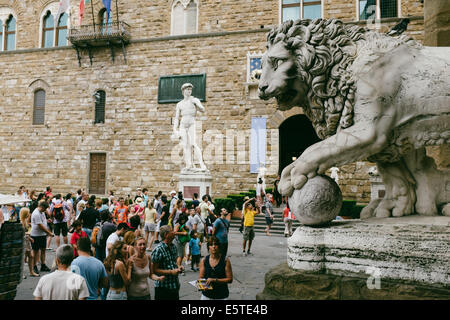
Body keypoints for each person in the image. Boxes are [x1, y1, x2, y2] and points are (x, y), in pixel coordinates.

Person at [172, 83, 207, 171]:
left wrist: (197, 105)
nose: (189, 91)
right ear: (183, 91)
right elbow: (177, 118)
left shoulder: (194, 100)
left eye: (190, 89)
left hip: (191, 123)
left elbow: (203, 110)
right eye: (187, 89)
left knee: (193, 144)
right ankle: (189, 164)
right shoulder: (179, 104)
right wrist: (175, 129)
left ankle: (201, 164)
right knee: (185, 145)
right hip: (183, 125)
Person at [151, 225, 184, 300]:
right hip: (163, 288)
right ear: (166, 235)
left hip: (174, 286)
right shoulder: (158, 249)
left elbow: (174, 262)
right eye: (172, 231)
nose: (174, 232)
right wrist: (171, 272)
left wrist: (179, 267)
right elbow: (154, 270)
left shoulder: (173, 247)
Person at [198, 236, 233, 300]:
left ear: (219, 246)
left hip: (221, 295)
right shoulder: (204, 260)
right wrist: (203, 285)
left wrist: (215, 280)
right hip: (207, 295)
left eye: (215, 244)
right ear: (208, 247)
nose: (213, 246)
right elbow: (201, 277)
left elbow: (230, 279)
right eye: (211, 244)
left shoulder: (225, 260)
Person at [30, 201, 53, 274]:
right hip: (36, 235)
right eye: (45, 208)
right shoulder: (36, 213)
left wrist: (47, 220)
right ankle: (34, 266)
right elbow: (40, 226)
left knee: (43, 249)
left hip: (42, 235)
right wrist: (49, 233)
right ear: (42, 207)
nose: (45, 210)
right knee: (35, 251)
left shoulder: (42, 212)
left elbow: (42, 221)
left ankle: (43, 265)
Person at [20, 207, 39, 277]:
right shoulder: (21, 222)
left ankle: (31, 271)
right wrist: (28, 235)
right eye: (28, 213)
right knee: (24, 257)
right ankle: (22, 273)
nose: (29, 214)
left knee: (30, 256)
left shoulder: (25, 221)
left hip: (27, 240)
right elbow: (22, 233)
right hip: (24, 241)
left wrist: (29, 237)